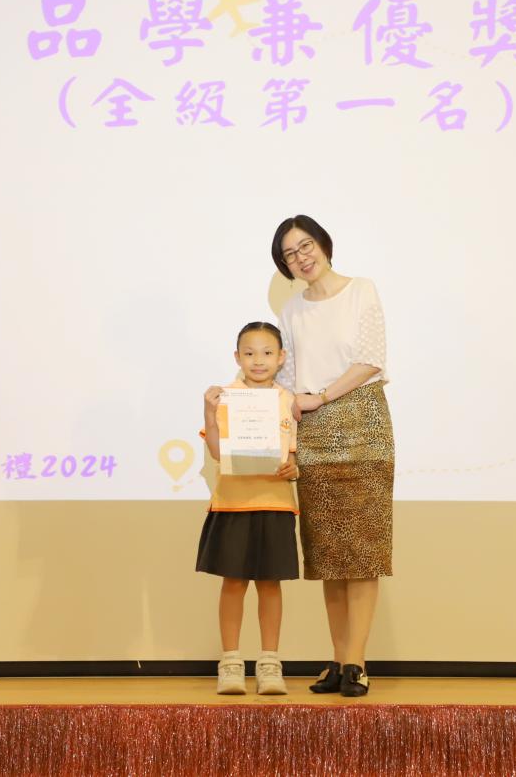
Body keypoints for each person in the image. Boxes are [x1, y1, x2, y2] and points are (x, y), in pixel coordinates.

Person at [271, 215, 393, 698]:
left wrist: (321, 397)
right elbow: (286, 382)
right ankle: (339, 659)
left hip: (363, 422)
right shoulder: (292, 310)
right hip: (313, 431)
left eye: (306, 245)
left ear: (323, 243)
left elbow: (371, 360)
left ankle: (357, 662)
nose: (301, 257)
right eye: (290, 254)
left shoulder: (362, 289)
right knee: (328, 554)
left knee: (361, 553)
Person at [197, 322, 300, 695]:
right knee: (234, 582)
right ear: (237, 357)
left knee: (270, 583)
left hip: (276, 504)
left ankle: (270, 663)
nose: (259, 360)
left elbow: (293, 454)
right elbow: (216, 451)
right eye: (250, 353)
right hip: (233, 504)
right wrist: (208, 412)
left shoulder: (290, 400)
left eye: (267, 353)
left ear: (281, 357)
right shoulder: (225, 398)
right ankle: (230, 663)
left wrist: (294, 467)